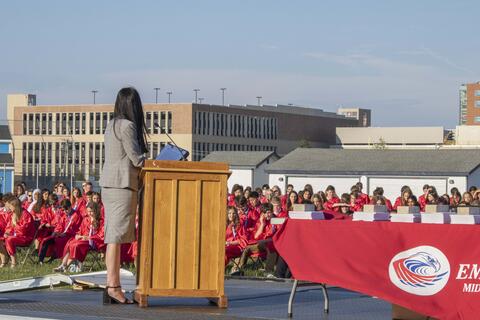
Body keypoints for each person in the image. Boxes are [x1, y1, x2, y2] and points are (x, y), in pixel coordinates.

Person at [99, 87, 147, 305]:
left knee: (113, 238)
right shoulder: (127, 126)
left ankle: (113, 285)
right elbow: (136, 159)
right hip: (121, 187)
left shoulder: (111, 125)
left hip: (110, 186)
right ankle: (113, 286)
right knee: (114, 239)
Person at [54, 202, 105, 273]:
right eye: (88, 211)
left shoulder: (101, 221)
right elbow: (80, 230)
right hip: (84, 240)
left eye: (91, 211)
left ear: (96, 210)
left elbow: (101, 235)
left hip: (94, 242)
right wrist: (78, 235)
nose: (89, 213)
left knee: (75, 245)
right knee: (70, 242)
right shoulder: (86, 219)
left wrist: (88, 238)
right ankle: (63, 265)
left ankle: (68, 265)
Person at [0, 197, 35, 267]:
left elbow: (23, 230)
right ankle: (4, 261)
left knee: (9, 240)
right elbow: (9, 227)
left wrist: (15, 223)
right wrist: (6, 233)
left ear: (15, 206)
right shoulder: (13, 214)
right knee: (1, 239)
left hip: (26, 238)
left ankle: (14, 262)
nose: (9, 208)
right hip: (16, 236)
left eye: (10, 206)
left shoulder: (26, 214)